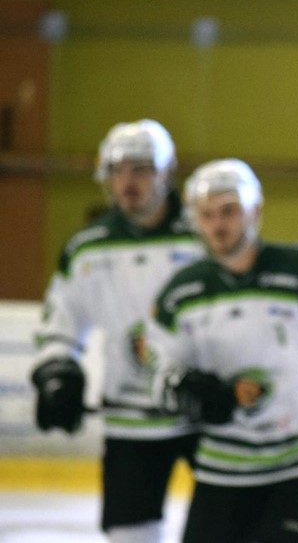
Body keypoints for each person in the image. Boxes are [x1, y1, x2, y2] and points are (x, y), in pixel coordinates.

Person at [146, 159, 298, 543]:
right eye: (207, 215)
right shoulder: (181, 293)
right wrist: (188, 388)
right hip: (225, 463)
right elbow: (161, 371)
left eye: (229, 211)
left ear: (255, 211)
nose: (218, 225)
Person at [30, 119, 204, 542]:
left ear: (167, 173)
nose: (128, 181)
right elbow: (61, 324)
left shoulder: (206, 237)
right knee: (130, 536)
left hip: (206, 414)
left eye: (141, 169)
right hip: (130, 423)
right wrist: (57, 372)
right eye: (117, 170)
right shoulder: (88, 248)